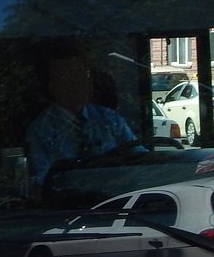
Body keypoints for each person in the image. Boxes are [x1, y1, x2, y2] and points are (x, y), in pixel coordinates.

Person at [26, 54, 140, 187]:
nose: (82, 83)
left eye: (85, 76)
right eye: (72, 78)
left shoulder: (109, 118)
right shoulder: (41, 130)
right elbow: (43, 180)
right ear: (53, 86)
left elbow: (139, 156)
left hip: (116, 197)